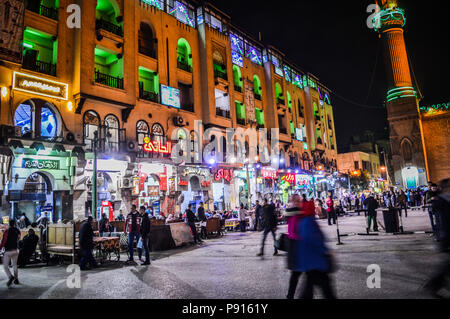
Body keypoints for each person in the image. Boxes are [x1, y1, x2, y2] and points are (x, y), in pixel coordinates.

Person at [294, 198, 336, 299]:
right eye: (314, 207)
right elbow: (315, 240)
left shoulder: (304, 222)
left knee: (308, 290)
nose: (317, 209)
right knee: (326, 291)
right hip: (316, 262)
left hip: (309, 262)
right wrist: (326, 251)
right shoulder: (309, 222)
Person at [423, 179, 450, 298]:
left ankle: (435, 283)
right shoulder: (441, 201)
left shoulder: (444, 200)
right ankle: (434, 284)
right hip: (447, 236)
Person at [285, 194, 303, 299]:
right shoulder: (295, 213)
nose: (298, 202)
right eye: (296, 201)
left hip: (297, 244)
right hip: (296, 245)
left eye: (299, 201)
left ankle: (290, 295)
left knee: (298, 273)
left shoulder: (292, 212)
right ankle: (290, 295)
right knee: (297, 273)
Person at [0, 220, 21, 287]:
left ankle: (10, 276)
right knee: (15, 265)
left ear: (9, 224)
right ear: (14, 224)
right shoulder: (18, 231)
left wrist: (0, 247)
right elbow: (18, 239)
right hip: (15, 250)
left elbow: (3, 241)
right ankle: (16, 279)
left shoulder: (7, 231)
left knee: (5, 266)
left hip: (8, 251)